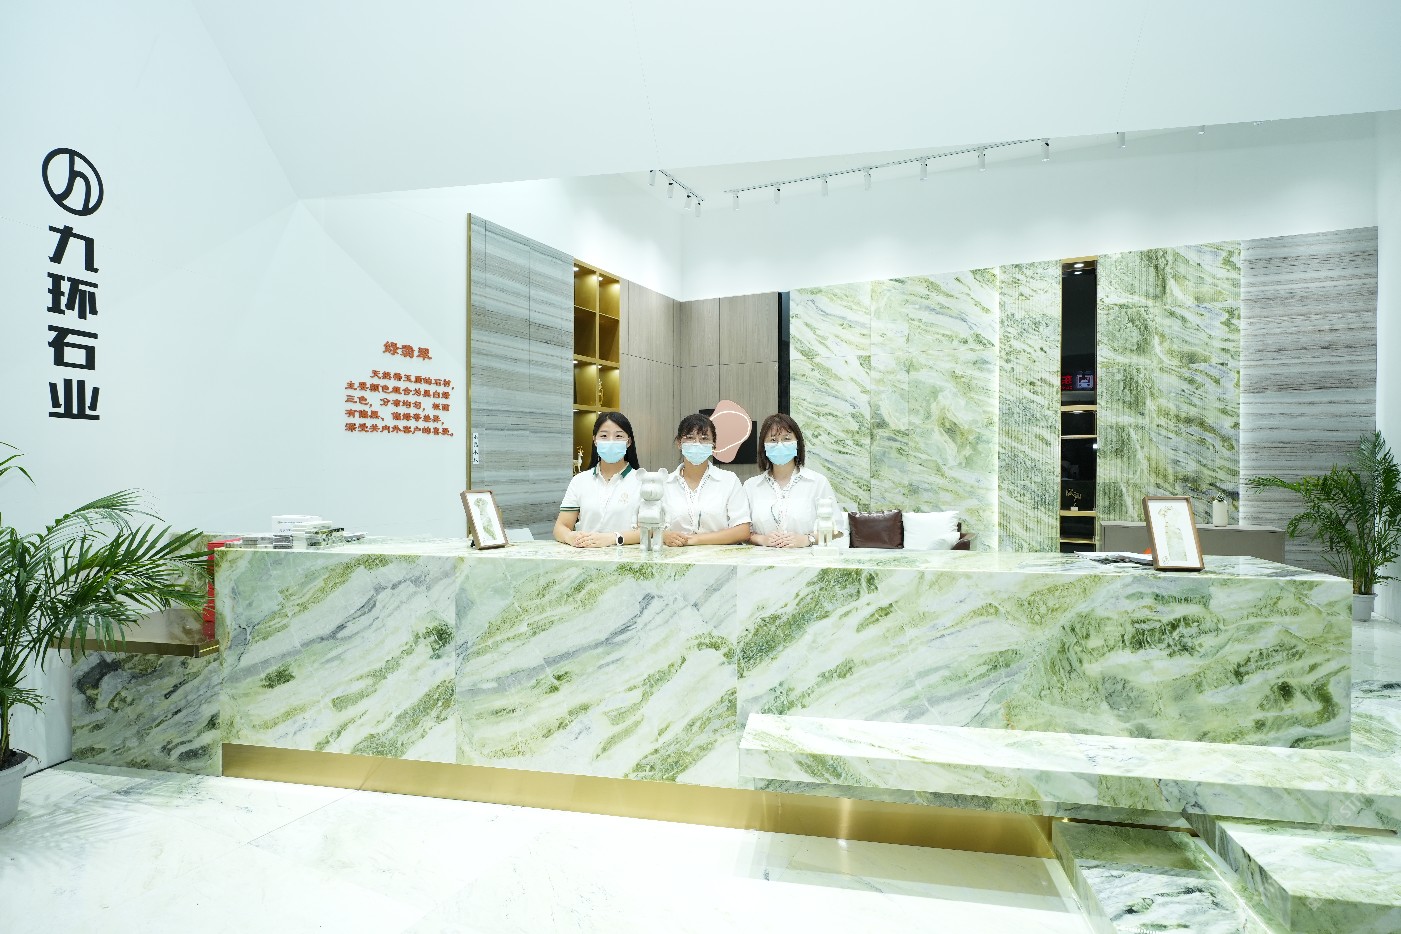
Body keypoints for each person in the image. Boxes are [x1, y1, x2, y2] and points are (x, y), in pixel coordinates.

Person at [745, 413, 839, 548]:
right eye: (773, 440)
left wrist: (807, 539)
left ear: (797, 444)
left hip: (806, 558)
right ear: (763, 447)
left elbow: (837, 530)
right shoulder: (751, 486)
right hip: (762, 558)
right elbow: (742, 532)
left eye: (787, 439)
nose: (780, 444)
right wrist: (762, 540)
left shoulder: (818, 482)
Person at [660, 413, 752, 546]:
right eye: (690, 438)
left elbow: (742, 531)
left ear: (713, 445)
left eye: (704, 438)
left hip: (720, 555)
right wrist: (663, 535)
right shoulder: (664, 483)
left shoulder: (729, 480)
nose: (697, 444)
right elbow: (647, 527)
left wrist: (696, 540)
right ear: (679, 443)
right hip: (675, 555)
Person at [553, 412, 643, 547]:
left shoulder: (642, 481)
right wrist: (570, 536)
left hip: (627, 558)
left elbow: (649, 531)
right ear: (595, 440)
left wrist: (613, 538)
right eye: (604, 436)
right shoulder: (579, 481)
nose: (611, 441)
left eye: (618, 436)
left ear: (628, 442)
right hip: (586, 555)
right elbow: (561, 527)